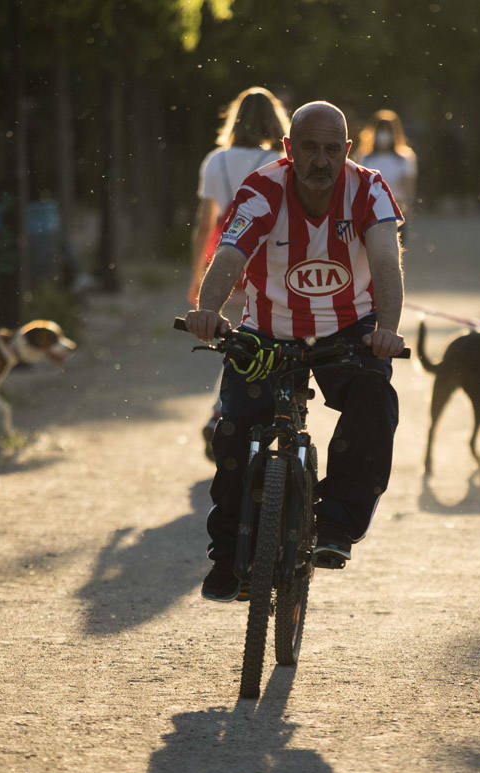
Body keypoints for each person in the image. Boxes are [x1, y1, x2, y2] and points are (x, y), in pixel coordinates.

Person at [183, 101, 406, 601]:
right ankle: (227, 558)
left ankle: (334, 526)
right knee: (235, 431)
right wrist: (207, 308)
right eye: (310, 148)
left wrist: (387, 330)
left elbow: (387, 265)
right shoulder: (262, 188)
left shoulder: (369, 189)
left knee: (375, 400)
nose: (321, 161)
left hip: (350, 329)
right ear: (289, 148)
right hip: (267, 331)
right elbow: (229, 254)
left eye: (332, 150)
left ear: (347, 151)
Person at [188, 87, 291, 459]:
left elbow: (205, 222)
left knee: (233, 338)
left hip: (227, 254)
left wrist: (198, 275)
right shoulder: (281, 160)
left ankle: (223, 409)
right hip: (271, 257)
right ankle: (267, 408)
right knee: (267, 335)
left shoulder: (216, 161)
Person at [356, 109, 417, 234]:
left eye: (388, 130)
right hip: (369, 213)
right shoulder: (363, 158)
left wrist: (407, 208)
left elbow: (409, 188)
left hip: (395, 212)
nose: (384, 134)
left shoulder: (404, 158)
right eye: (380, 129)